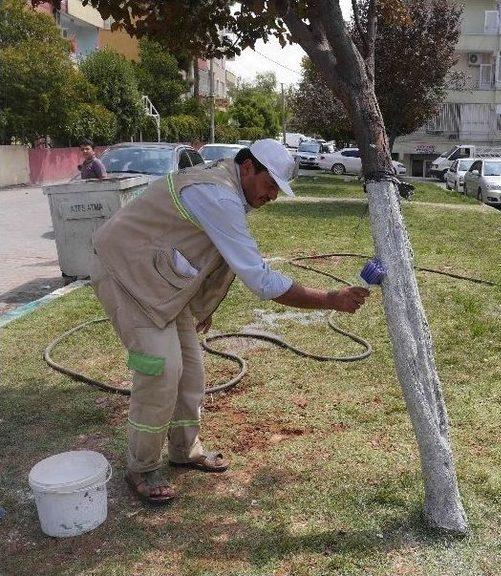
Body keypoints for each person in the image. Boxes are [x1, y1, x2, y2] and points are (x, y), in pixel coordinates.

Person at [90, 138, 370, 505]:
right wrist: (329, 300)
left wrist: (202, 307)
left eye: (278, 191)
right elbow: (260, 279)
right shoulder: (219, 195)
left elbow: (210, 256)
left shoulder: (229, 190)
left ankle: (183, 450)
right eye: (270, 186)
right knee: (161, 370)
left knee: (190, 373)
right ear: (248, 167)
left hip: (158, 282)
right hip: (125, 275)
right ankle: (141, 467)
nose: (272, 196)